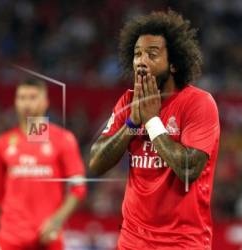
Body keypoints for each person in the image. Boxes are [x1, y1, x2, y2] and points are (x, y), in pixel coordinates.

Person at [89, 10, 220, 250]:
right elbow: (96, 162)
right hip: (132, 241)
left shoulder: (198, 103)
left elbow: (189, 169)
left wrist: (151, 122)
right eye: (137, 54)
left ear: (173, 64)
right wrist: (132, 124)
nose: (141, 60)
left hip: (182, 243)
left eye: (152, 54)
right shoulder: (127, 102)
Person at [0, 79, 86, 250]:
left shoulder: (63, 139)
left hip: (47, 238)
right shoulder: (3, 143)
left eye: (33, 97)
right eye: (22, 97)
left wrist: (57, 220)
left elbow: (78, 188)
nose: (26, 103)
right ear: (15, 102)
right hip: (11, 238)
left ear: (45, 102)